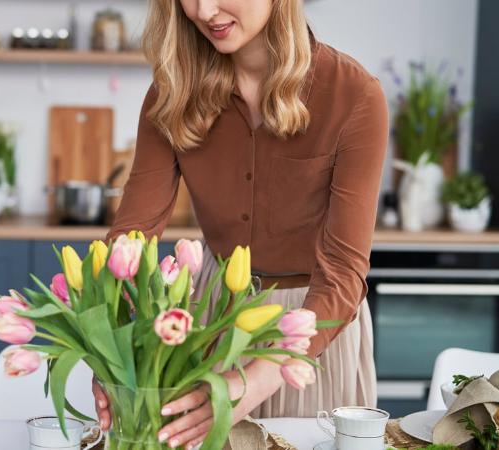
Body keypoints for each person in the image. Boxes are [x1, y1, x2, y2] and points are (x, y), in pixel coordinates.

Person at [95, 0, 389, 448]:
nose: (202, 10)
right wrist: (108, 351)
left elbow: (344, 273)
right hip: (214, 316)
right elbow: (130, 240)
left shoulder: (354, 95)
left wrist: (255, 379)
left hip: (312, 327)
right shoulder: (171, 92)